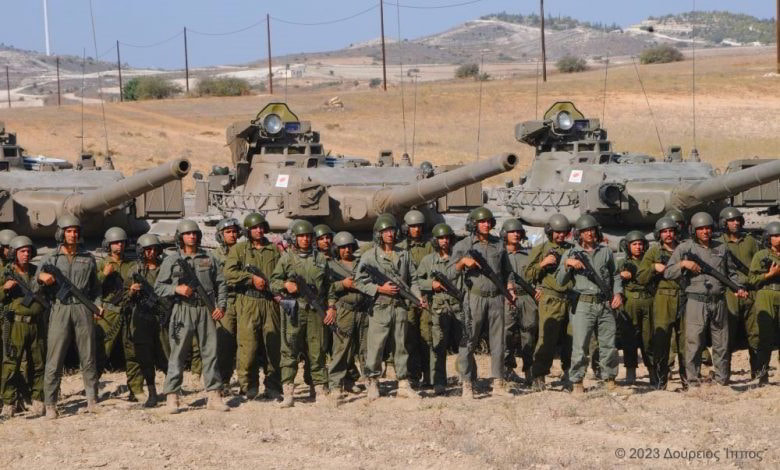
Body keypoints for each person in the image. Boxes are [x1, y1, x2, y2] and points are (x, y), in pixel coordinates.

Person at [664, 212, 748, 387]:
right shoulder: (685, 248)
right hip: (696, 301)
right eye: (701, 229)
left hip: (718, 300)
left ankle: (722, 380)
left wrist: (738, 288)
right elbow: (668, 272)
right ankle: (693, 381)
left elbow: (731, 273)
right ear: (694, 230)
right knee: (694, 342)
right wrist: (683, 264)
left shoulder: (722, 248)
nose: (705, 232)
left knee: (721, 342)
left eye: (708, 228)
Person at [155, 219, 228, 413]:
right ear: (180, 237)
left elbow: (221, 283)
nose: (192, 236)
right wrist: (176, 289)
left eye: (195, 233)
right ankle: (172, 396)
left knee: (210, 353)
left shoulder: (209, 258)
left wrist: (221, 306)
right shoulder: (171, 260)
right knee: (177, 354)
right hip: (182, 310)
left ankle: (214, 395)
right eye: (188, 234)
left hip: (206, 310)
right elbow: (159, 287)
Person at [355, 214, 426, 401]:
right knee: (376, 346)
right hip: (380, 306)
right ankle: (373, 381)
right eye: (385, 231)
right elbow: (359, 281)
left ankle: (403, 383)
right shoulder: (370, 256)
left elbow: (413, 279)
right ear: (378, 233)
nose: (389, 234)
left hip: (400, 306)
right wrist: (379, 289)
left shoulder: (404, 254)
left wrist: (418, 297)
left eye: (392, 230)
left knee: (401, 346)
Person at [37, 215, 102, 419]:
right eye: (68, 231)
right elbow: (34, 280)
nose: (72, 234)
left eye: (75, 231)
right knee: (54, 357)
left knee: (88, 355)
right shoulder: (51, 258)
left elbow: (96, 287)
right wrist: (41, 277)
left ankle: (92, 399)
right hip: (60, 308)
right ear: (61, 233)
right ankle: (50, 403)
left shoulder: (88, 258)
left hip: (83, 308)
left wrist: (98, 305)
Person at [557, 215, 623, 394]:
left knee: (608, 345)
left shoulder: (606, 251)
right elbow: (560, 281)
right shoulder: (571, 253)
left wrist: (618, 293)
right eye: (585, 231)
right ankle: (577, 382)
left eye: (592, 230)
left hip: (605, 304)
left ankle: (609, 381)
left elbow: (615, 275)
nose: (589, 233)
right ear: (579, 234)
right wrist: (567, 264)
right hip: (583, 305)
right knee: (580, 346)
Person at [453, 207, 513, 397]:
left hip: (496, 297)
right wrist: (463, 262)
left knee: (498, 341)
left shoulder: (499, 244)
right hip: (474, 298)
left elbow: (507, 271)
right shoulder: (464, 244)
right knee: (469, 340)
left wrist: (510, 288)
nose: (486, 224)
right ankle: (467, 383)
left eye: (489, 221)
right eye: (482, 222)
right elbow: (450, 271)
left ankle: (498, 382)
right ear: (474, 224)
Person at [270, 219, 331, 407]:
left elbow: (329, 287)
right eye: (301, 236)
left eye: (308, 236)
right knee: (289, 350)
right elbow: (273, 283)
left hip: (315, 310)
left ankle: (319, 389)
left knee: (317, 350)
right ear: (294, 238)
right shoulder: (287, 258)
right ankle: (288, 392)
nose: (305, 239)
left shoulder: (320, 259)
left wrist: (331, 307)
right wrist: (286, 285)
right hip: (294, 310)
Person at [224, 213, 282, 400]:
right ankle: (248, 386)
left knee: (273, 347)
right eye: (255, 227)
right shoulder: (239, 249)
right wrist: (250, 279)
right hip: (248, 302)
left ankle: (273, 386)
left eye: (262, 227)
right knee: (248, 347)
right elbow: (228, 273)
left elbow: (283, 272)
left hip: (270, 302)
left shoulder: (274, 250)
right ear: (248, 231)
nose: (259, 230)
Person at [525, 214, 574, 392]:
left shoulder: (572, 249)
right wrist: (543, 264)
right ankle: (539, 375)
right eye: (557, 232)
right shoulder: (541, 249)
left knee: (571, 339)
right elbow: (527, 274)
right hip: (551, 299)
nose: (561, 235)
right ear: (549, 232)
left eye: (564, 232)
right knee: (547, 339)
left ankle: (570, 374)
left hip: (571, 298)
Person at [637, 217, 687, 390]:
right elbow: (641, 277)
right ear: (659, 234)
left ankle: (687, 380)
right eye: (664, 232)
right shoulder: (653, 252)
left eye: (671, 231)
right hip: (663, 297)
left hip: (684, 296)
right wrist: (653, 268)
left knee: (685, 341)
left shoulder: (684, 249)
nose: (668, 234)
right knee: (661, 340)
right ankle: (660, 381)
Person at [0, 236, 46, 417]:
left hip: (36, 323)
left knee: (38, 363)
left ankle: (38, 399)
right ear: (14, 253)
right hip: (16, 325)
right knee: (11, 363)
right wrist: (4, 289)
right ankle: (9, 402)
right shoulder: (5, 273)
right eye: (22, 251)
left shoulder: (36, 272)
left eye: (28, 251)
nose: (26, 254)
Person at [125, 233, 170, 407]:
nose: (151, 252)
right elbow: (124, 296)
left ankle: (172, 390)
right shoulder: (135, 270)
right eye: (147, 249)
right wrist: (132, 291)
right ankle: (152, 392)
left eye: (154, 249)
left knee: (166, 354)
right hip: (142, 318)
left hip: (162, 317)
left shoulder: (165, 267)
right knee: (145, 356)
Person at [414, 223, 458, 396]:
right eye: (441, 238)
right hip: (438, 306)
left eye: (447, 237)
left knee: (465, 344)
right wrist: (430, 284)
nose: (444, 241)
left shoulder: (457, 258)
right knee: (438, 346)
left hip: (458, 306)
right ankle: (439, 381)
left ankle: (469, 379)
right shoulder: (428, 260)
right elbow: (416, 281)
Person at [326, 231, 369, 398]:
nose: (347, 250)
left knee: (364, 348)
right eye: (343, 247)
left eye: (350, 246)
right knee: (341, 349)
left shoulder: (361, 263)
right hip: (344, 310)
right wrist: (342, 285)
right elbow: (326, 288)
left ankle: (361, 381)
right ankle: (336, 384)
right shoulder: (331, 266)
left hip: (363, 310)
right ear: (337, 249)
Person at [718, 207, 760, 377]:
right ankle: (724, 374)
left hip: (751, 292)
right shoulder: (719, 243)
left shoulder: (750, 241)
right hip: (730, 292)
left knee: (755, 333)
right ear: (724, 223)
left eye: (737, 220)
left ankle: (758, 371)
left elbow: (759, 263)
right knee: (727, 334)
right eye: (731, 220)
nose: (735, 223)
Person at [95, 227, 135, 396]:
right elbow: (92, 287)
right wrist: (104, 275)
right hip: (108, 312)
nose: (119, 245)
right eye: (115, 243)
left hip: (128, 311)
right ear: (108, 245)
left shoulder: (131, 265)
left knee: (132, 351)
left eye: (122, 242)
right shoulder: (101, 264)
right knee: (101, 350)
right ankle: (92, 388)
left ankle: (135, 388)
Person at [397, 210, 434, 388]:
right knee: (409, 337)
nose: (416, 229)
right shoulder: (400, 248)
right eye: (412, 226)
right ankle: (412, 375)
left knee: (427, 337)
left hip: (426, 297)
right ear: (406, 228)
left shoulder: (430, 246)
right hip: (407, 299)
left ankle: (429, 375)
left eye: (419, 226)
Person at [501, 218, 538, 386]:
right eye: (512, 232)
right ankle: (508, 369)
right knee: (506, 335)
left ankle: (530, 370)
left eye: (518, 232)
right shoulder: (499, 255)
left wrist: (539, 288)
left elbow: (536, 276)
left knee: (528, 334)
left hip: (526, 298)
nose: (516, 234)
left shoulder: (529, 256)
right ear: (504, 234)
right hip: (506, 298)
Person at [616, 231, 653, 385]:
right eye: (634, 244)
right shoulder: (622, 263)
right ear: (628, 246)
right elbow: (613, 279)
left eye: (640, 244)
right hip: (630, 300)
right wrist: (621, 275)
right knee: (629, 337)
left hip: (648, 299)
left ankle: (652, 371)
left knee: (649, 338)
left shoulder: (649, 261)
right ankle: (630, 371)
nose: (638, 247)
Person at [747, 221, 780, 384]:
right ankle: (762, 375)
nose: (779, 238)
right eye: (775, 236)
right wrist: (769, 274)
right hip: (766, 294)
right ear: (768, 238)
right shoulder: (761, 256)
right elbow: (752, 280)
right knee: (765, 336)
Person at [211, 217, 241, 392]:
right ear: (220, 235)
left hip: (243, 298)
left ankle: (246, 381)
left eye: (234, 232)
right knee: (225, 343)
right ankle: (224, 380)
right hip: (225, 300)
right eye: (228, 232)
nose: (232, 235)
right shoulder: (215, 255)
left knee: (245, 342)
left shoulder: (243, 251)